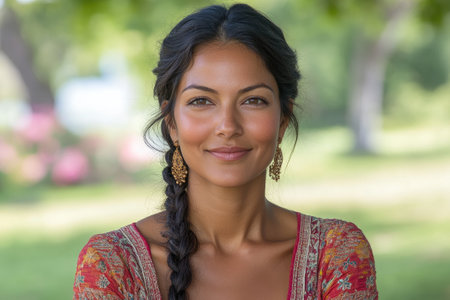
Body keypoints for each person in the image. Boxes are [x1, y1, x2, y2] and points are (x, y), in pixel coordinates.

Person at [73, 4, 378, 300]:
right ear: (172, 124)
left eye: (253, 100)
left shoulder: (336, 256)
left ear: (283, 120)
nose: (227, 126)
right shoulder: (113, 265)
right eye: (202, 101)